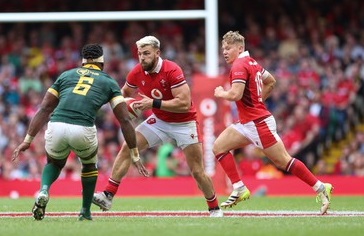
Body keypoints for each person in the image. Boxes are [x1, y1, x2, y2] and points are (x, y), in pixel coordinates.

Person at [11, 44, 146, 221]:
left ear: (83, 61)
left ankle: (44, 189)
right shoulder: (109, 82)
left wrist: (28, 140)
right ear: (102, 62)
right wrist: (134, 154)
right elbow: (125, 120)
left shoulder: (66, 75)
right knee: (89, 166)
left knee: (54, 162)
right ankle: (85, 211)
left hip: (57, 124)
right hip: (83, 128)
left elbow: (44, 108)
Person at [92, 36, 223, 217]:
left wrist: (152, 103)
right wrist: (124, 105)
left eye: (146, 53)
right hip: (160, 120)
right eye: (139, 54)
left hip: (184, 122)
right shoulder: (137, 72)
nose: (142, 58)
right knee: (128, 147)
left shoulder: (172, 70)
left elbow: (184, 103)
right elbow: (124, 93)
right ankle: (108, 194)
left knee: (197, 172)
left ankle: (214, 208)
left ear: (157, 53)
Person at [212, 31, 333, 215]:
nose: (224, 52)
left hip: (258, 123)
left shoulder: (239, 64)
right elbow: (271, 81)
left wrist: (221, 93)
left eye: (228, 48)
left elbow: (235, 94)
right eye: (223, 48)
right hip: (248, 122)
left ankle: (321, 188)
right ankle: (239, 188)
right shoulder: (252, 63)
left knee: (283, 161)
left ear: (240, 48)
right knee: (219, 147)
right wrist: (257, 101)